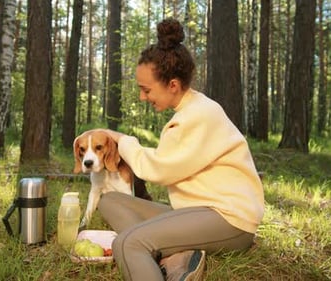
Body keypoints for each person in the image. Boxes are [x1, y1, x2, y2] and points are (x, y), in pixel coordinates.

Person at [98, 18, 264, 281]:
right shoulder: (193, 110)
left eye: (146, 90)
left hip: (229, 219)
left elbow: (158, 168)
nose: (143, 97)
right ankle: (173, 252)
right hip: (197, 212)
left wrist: (121, 139)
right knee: (109, 200)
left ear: (172, 84)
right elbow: (171, 158)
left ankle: (153, 248)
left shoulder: (197, 115)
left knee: (127, 244)